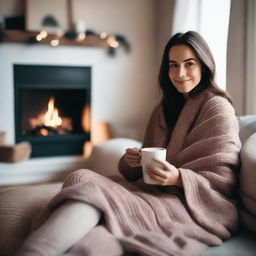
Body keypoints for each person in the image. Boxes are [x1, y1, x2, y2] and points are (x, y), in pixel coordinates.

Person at [17, 31, 241, 256]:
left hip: (187, 206)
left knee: (93, 193)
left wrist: (179, 179)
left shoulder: (218, 108)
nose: (180, 73)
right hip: (151, 191)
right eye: (173, 65)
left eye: (189, 64)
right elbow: (140, 168)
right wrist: (133, 161)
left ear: (204, 65)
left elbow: (222, 182)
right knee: (81, 177)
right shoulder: (163, 110)